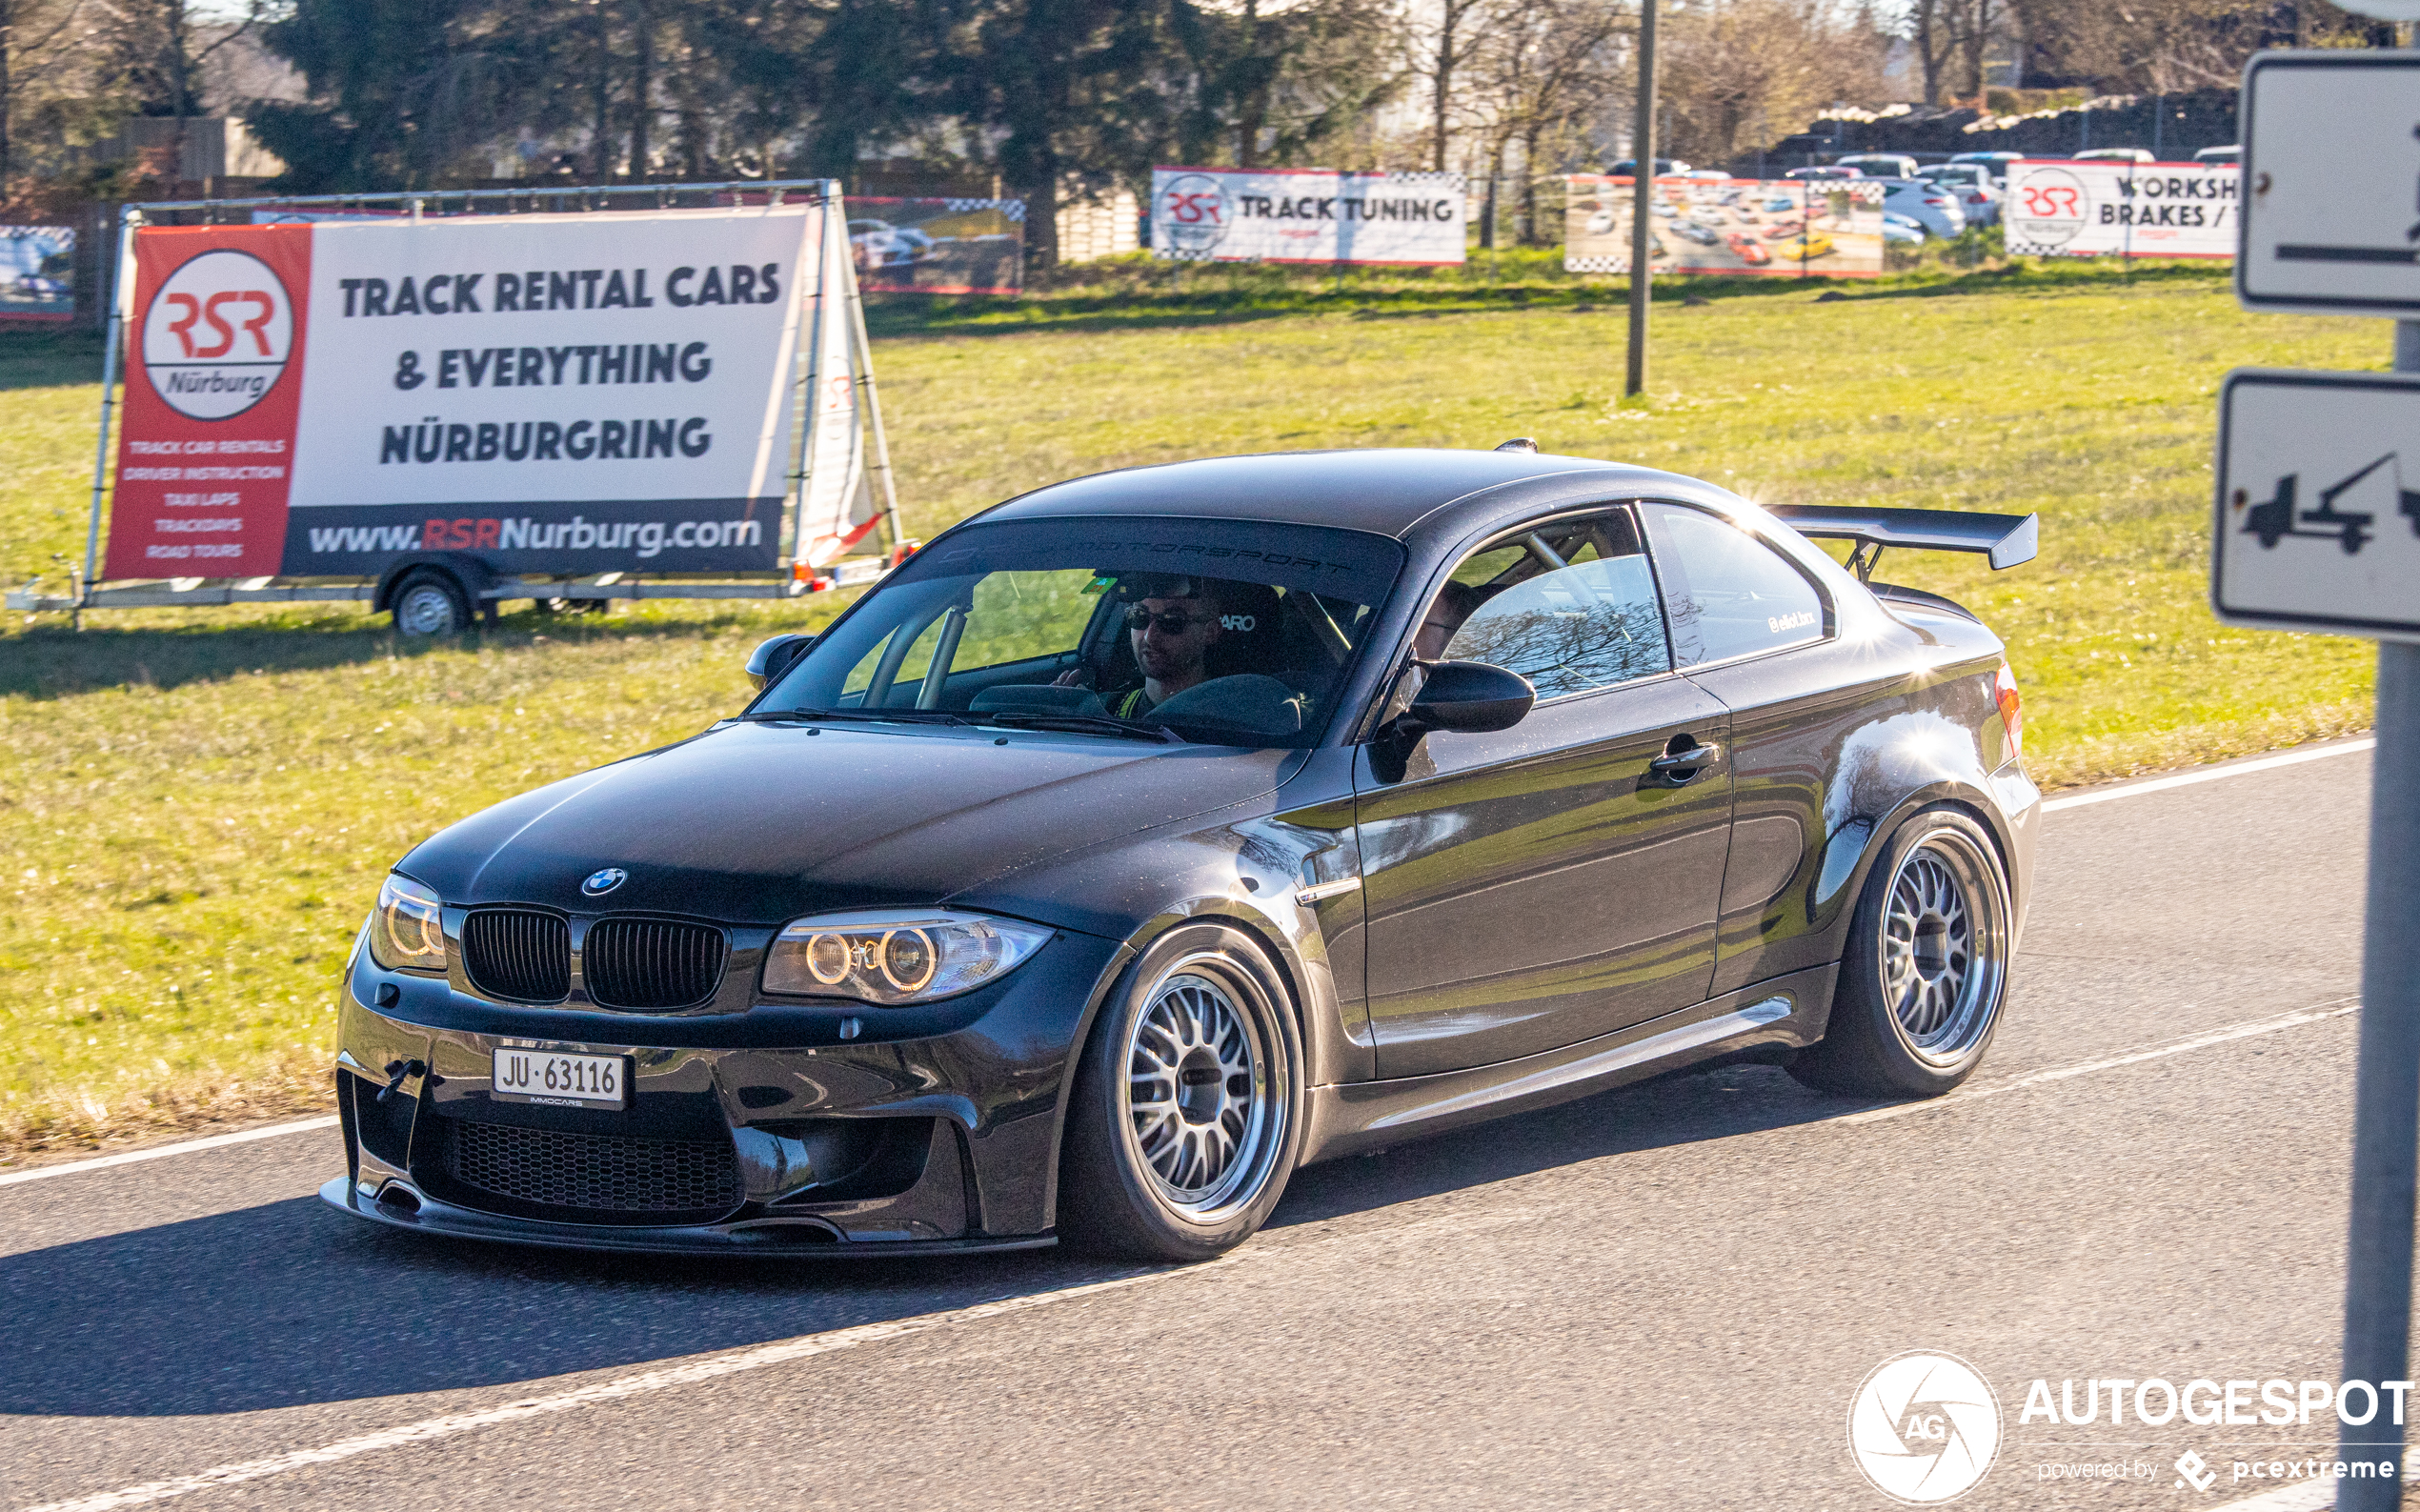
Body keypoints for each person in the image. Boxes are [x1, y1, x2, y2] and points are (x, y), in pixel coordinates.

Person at [1059, 576, 1228, 717]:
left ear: (1211, 632)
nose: (1149, 635)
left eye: (1172, 621)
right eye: (1139, 616)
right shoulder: (1103, 712)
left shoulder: (1234, 717)